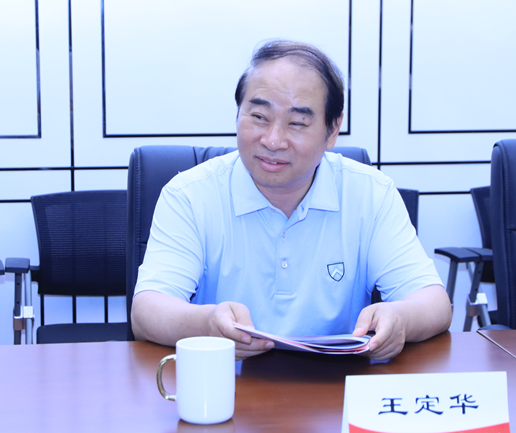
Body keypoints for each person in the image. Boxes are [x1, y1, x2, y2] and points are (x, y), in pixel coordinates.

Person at [131, 40, 452, 361]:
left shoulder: (371, 193)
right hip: (223, 381)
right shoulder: (190, 194)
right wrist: (207, 324)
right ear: (238, 113)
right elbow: (147, 311)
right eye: (259, 116)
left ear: (332, 130)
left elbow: (434, 303)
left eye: (297, 123)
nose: (273, 140)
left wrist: (400, 319)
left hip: (335, 384)